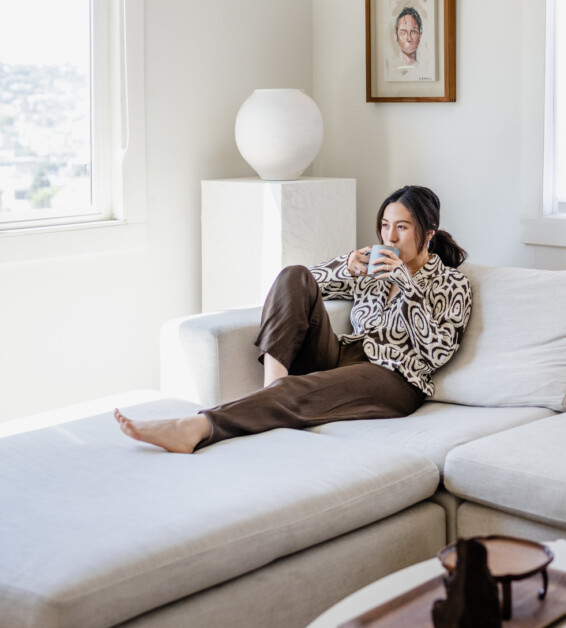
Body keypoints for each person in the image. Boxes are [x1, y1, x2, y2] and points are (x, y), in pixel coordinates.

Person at [115, 185, 471, 453]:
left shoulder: (453, 283)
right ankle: (274, 388)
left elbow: (437, 351)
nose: (389, 237)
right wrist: (346, 265)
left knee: (301, 391)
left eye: (402, 228)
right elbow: (303, 286)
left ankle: (199, 426)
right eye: (384, 225)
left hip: (393, 378)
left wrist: (404, 284)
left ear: (428, 234)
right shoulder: (372, 270)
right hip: (343, 357)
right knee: (293, 273)